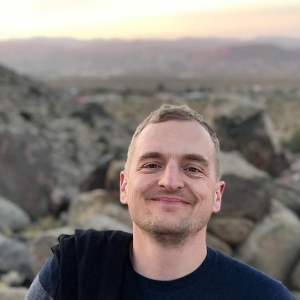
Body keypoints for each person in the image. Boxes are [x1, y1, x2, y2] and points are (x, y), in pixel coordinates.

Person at [25, 104, 295, 300]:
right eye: (152, 164)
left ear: (217, 195)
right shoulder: (74, 271)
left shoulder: (263, 296)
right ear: (124, 186)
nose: (170, 181)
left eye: (192, 168)